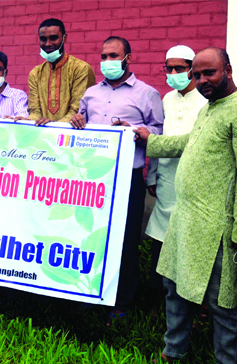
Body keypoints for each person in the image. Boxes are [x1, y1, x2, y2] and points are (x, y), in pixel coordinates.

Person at [133, 47, 237, 364]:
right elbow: (191, 143)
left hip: (218, 229)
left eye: (209, 73)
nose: (202, 81)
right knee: (174, 288)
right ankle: (173, 351)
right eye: (197, 75)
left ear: (229, 70)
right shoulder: (210, 108)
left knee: (222, 305)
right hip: (185, 220)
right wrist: (152, 142)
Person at [69, 36, 164, 321]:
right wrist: (76, 119)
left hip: (127, 177)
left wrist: (134, 131)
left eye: (113, 55)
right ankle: (91, 294)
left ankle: (121, 302)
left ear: (128, 58)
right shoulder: (91, 93)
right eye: (104, 55)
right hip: (93, 179)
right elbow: (80, 123)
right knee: (92, 238)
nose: (107, 61)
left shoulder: (147, 94)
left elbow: (158, 138)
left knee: (124, 242)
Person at [145, 45, 207, 289]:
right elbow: (160, 137)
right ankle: (156, 295)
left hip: (193, 178)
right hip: (166, 178)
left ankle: (186, 292)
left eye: (179, 68)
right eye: (168, 68)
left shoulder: (205, 99)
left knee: (187, 237)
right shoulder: (167, 99)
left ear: (192, 69)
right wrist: (152, 175)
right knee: (160, 236)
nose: (173, 73)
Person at [11, 18, 95, 126]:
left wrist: (52, 126)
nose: (48, 44)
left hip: (73, 136)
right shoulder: (35, 73)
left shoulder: (80, 69)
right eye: (43, 39)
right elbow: (35, 112)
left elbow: (77, 111)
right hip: (43, 136)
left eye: (53, 38)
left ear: (64, 38)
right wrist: (22, 121)